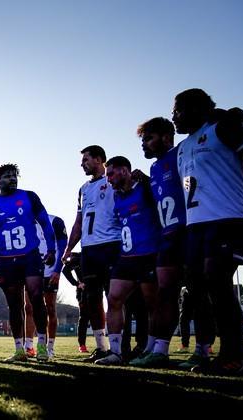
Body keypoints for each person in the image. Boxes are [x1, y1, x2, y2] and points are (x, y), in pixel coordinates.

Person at [174, 88, 243, 373]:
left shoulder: (224, 126)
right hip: (196, 224)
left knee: (217, 280)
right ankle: (211, 352)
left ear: (196, 108)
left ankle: (236, 355)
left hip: (229, 217)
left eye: (178, 110)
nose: (174, 117)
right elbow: (187, 185)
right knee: (197, 287)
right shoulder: (183, 147)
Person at [0, 163, 56, 362]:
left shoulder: (29, 196)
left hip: (30, 256)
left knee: (37, 298)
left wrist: (52, 249)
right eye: (7, 176)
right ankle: (19, 349)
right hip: (5, 260)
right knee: (14, 305)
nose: (12, 179)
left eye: (14, 176)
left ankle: (41, 345)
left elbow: (45, 223)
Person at [129, 117, 190, 367]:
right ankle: (158, 348)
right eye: (142, 140)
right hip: (166, 237)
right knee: (164, 293)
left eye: (148, 138)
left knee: (199, 292)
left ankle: (204, 350)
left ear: (166, 137)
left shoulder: (182, 154)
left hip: (188, 232)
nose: (144, 145)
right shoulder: (154, 169)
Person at [93, 156, 160, 365]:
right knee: (113, 298)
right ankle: (115, 351)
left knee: (152, 303)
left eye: (111, 174)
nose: (109, 179)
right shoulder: (117, 197)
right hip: (127, 256)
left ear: (124, 171)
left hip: (148, 254)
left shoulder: (145, 189)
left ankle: (151, 349)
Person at [62, 145, 122, 362]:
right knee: (91, 299)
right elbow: (79, 221)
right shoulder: (83, 189)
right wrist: (69, 247)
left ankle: (118, 348)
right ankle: (102, 347)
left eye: (86, 159)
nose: (82, 164)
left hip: (111, 244)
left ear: (99, 159)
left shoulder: (113, 180)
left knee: (114, 296)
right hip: (89, 249)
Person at [24, 213, 68, 359]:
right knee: (29, 308)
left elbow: (63, 247)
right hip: (33, 272)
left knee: (50, 308)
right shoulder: (26, 221)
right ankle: (28, 346)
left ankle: (49, 347)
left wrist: (57, 270)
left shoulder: (55, 221)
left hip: (50, 273)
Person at [62, 252, 90, 352]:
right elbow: (65, 271)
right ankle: (82, 344)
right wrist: (76, 283)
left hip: (96, 288)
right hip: (82, 290)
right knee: (84, 317)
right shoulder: (78, 257)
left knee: (97, 315)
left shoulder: (95, 253)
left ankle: (102, 344)